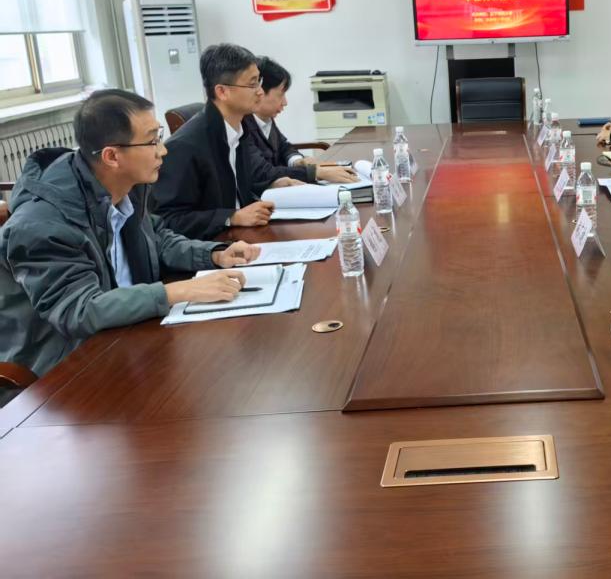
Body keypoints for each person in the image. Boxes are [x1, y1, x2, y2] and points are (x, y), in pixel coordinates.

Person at [0, 90, 259, 404]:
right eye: (152, 141)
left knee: (226, 375)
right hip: (63, 375)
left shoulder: (122, 185)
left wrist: (212, 253)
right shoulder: (42, 223)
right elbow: (78, 311)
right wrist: (178, 291)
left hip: (125, 337)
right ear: (112, 156)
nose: (163, 150)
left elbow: (156, 238)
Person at [152, 43, 299, 240]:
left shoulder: (239, 129)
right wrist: (231, 217)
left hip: (243, 237)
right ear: (222, 92)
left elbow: (235, 188)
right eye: (252, 84)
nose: (260, 91)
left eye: (260, 81)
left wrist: (271, 186)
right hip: (214, 246)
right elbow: (167, 220)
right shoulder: (185, 146)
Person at [244, 56, 358, 185]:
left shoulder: (267, 119)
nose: (285, 102)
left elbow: (284, 147)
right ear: (260, 92)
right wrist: (315, 173)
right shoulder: (243, 125)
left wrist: (297, 161)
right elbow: (263, 172)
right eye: (281, 95)